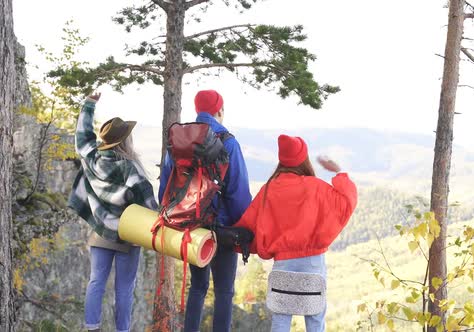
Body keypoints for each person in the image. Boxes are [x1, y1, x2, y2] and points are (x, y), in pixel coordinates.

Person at [234, 134, 358, 332]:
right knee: (315, 319)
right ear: (303, 159)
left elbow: (248, 227)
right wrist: (339, 171)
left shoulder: (269, 189)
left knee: (281, 320)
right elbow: (346, 201)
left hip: (282, 263)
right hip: (313, 262)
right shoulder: (315, 187)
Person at [158, 89, 252, 332]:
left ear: (197, 110)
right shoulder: (228, 142)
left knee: (198, 287)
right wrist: (244, 225)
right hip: (222, 227)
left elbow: (167, 184)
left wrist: (171, 215)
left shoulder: (181, 139)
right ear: (219, 111)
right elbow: (237, 190)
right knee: (224, 290)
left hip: (191, 225)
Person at [68, 92, 158, 332]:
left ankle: (92, 327)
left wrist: (88, 104)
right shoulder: (129, 168)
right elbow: (149, 203)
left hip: (100, 232)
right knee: (124, 289)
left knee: (96, 281)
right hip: (127, 234)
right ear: (124, 142)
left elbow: (82, 137)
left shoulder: (92, 158)